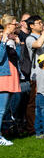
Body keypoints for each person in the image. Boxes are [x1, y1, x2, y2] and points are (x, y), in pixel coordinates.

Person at [0, 15, 22, 146]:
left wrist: (18, 44)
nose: (17, 26)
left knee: (5, 109)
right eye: (15, 24)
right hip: (3, 78)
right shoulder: (2, 41)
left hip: (12, 76)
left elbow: (17, 57)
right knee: (1, 110)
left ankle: (2, 133)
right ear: (8, 26)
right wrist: (3, 40)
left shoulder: (11, 40)